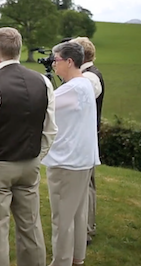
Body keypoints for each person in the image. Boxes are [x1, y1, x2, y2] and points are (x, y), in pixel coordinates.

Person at [0, 27, 57, 266]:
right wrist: (37, 156)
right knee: (30, 224)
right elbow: (50, 129)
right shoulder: (44, 82)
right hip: (30, 164)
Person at [42, 42, 100, 266]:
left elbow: (44, 108)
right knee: (77, 213)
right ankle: (77, 258)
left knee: (62, 219)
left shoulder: (71, 89)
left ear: (69, 61)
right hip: (83, 159)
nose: (53, 64)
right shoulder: (85, 84)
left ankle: (61, 261)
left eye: (56, 60)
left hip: (67, 161)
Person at [70, 36, 104, 244]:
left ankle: (86, 229)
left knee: (87, 186)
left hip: (85, 141)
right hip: (84, 139)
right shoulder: (88, 76)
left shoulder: (90, 79)